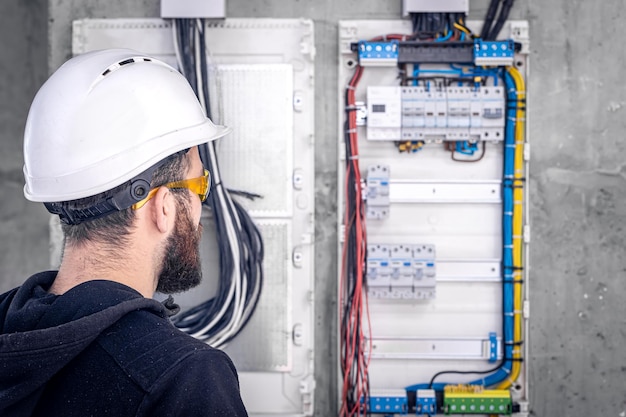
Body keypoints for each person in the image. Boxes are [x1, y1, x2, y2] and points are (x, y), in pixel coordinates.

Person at [0, 49, 249, 416]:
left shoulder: (10, 328)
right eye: (200, 185)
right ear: (162, 206)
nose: (201, 206)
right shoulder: (184, 380)